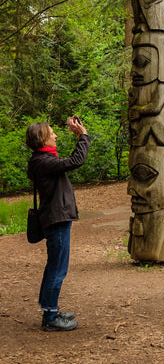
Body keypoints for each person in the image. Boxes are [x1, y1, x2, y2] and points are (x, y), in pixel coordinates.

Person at [26, 117, 90, 332]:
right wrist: (83, 135)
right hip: (57, 219)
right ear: (42, 138)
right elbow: (75, 161)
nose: (56, 135)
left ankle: (50, 309)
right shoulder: (44, 162)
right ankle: (51, 317)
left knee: (54, 266)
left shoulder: (42, 160)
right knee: (57, 269)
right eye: (52, 133)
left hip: (55, 217)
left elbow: (67, 162)